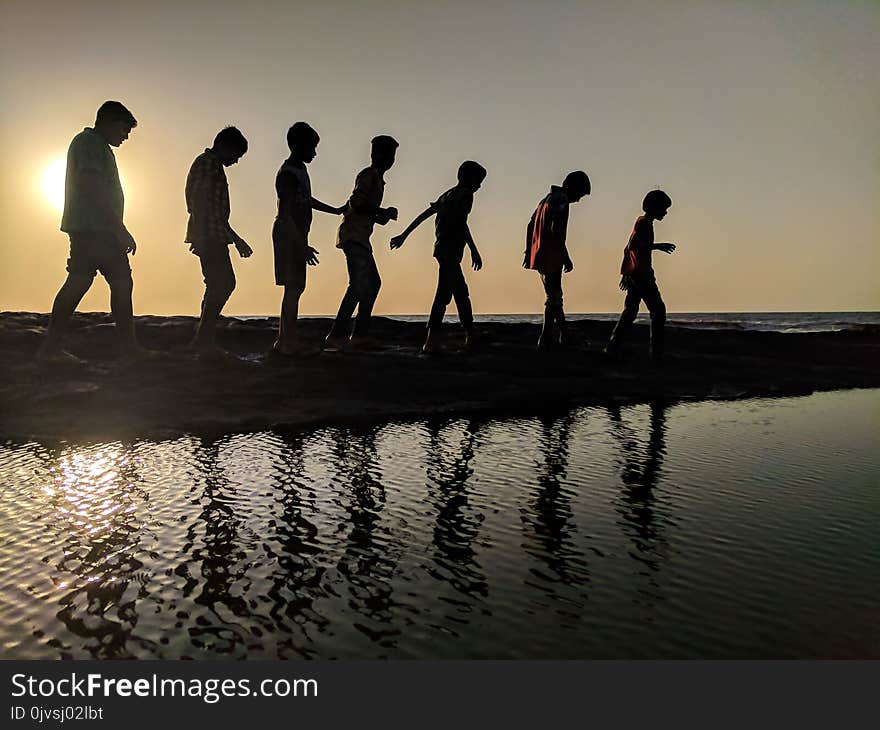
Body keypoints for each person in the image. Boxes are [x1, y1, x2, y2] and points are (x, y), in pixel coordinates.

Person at [40, 100, 143, 362]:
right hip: (94, 229)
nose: (125, 136)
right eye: (124, 129)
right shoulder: (89, 143)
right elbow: (91, 184)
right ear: (108, 122)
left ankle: (53, 348)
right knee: (100, 281)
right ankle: (53, 349)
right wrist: (119, 228)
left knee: (92, 281)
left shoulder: (98, 147)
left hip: (97, 229)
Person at [390, 160, 487, 353]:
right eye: (478, 181)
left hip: (442, 249)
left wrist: (404, 235)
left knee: (454, 293)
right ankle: (437, 339)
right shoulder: (465, 195)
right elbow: (461, 223)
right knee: (452, 293)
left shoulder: (446, 195)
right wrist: (474, 250)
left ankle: (464, 334)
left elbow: (424, 215)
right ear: (468, 179)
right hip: (450, 250)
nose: (479, 186)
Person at [272, 122, 345, 355]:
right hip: (288, 235)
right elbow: (285, 214)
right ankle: (288, 342)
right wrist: (301, 245)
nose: (314, 152)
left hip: (296, 235)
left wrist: (334, 210)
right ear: (296, 145)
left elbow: (307, 200)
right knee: (293, 288)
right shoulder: (288, 174)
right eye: (311, 147)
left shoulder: (300, 171)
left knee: (295, 288)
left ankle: (284, 340)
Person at [325, 135, 399, 349]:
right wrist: (381, 211)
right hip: (353, 236)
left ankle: (359, 334)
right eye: (387, 154)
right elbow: (357, 203)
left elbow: (364, 209)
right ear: (375, 155)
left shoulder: (378, 179)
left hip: (360, 237)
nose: (390, 159)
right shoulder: (369, 176)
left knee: (372, 283)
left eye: (392, 155)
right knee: (358, 284)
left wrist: (381, 217)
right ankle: (337, 334)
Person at [184, 126, 252, 357]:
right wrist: (202, 235)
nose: (235, 161)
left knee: (216, 284)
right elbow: (201, 203)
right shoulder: (208, 164)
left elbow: (213, 210)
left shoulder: (209, 164)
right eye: (235, 155)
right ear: (224, 146)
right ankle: (203, 339)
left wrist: (235, 238)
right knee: (223, 283)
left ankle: (203, 337)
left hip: (213, 232)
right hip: (209, 234)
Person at [605, 190, 676, 361]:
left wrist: (626, 273)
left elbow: (629, 248)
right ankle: (656, 354)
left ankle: (613, 347)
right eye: (663, 209)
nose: (665, 213)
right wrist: (658, 246)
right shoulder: (644, 223)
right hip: (642, 274)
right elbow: (636, 247)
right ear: (654, 208)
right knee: (658, 311)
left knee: (630, 311)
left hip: (635, 273)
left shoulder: (642, 222)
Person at [523, 171, 591, 350]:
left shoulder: (546, 199)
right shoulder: (561, 200)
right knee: (555, 297)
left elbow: (531, 225)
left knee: (552, 297)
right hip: (551, 255)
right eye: (580, 194)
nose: (578, 200)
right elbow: (557, 230)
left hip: (539, 254)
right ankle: (563, 336)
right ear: (573, 187)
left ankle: (547, 337)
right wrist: (565, 255)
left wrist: (528, 250)